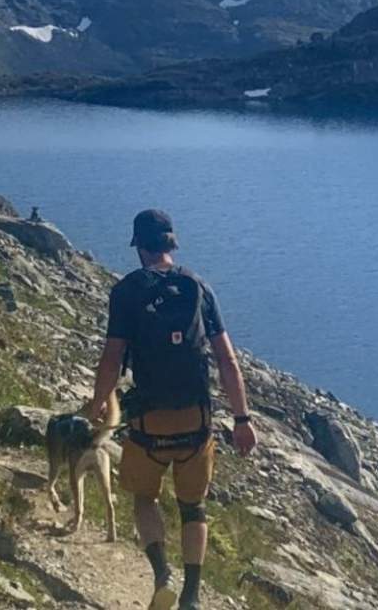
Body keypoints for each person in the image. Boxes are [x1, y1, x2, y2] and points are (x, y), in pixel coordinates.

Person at [85, 209, 258, 610]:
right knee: (193, 507)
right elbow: (228, 362)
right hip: (195, 422)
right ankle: (192, 597)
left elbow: (112, 358)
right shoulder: (198, 288)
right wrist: (242, 420)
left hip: (149, 423)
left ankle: (162, 575)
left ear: (140, 247)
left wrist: (97, 403)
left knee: (145, 498)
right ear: (171, 244)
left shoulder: (127, 291)